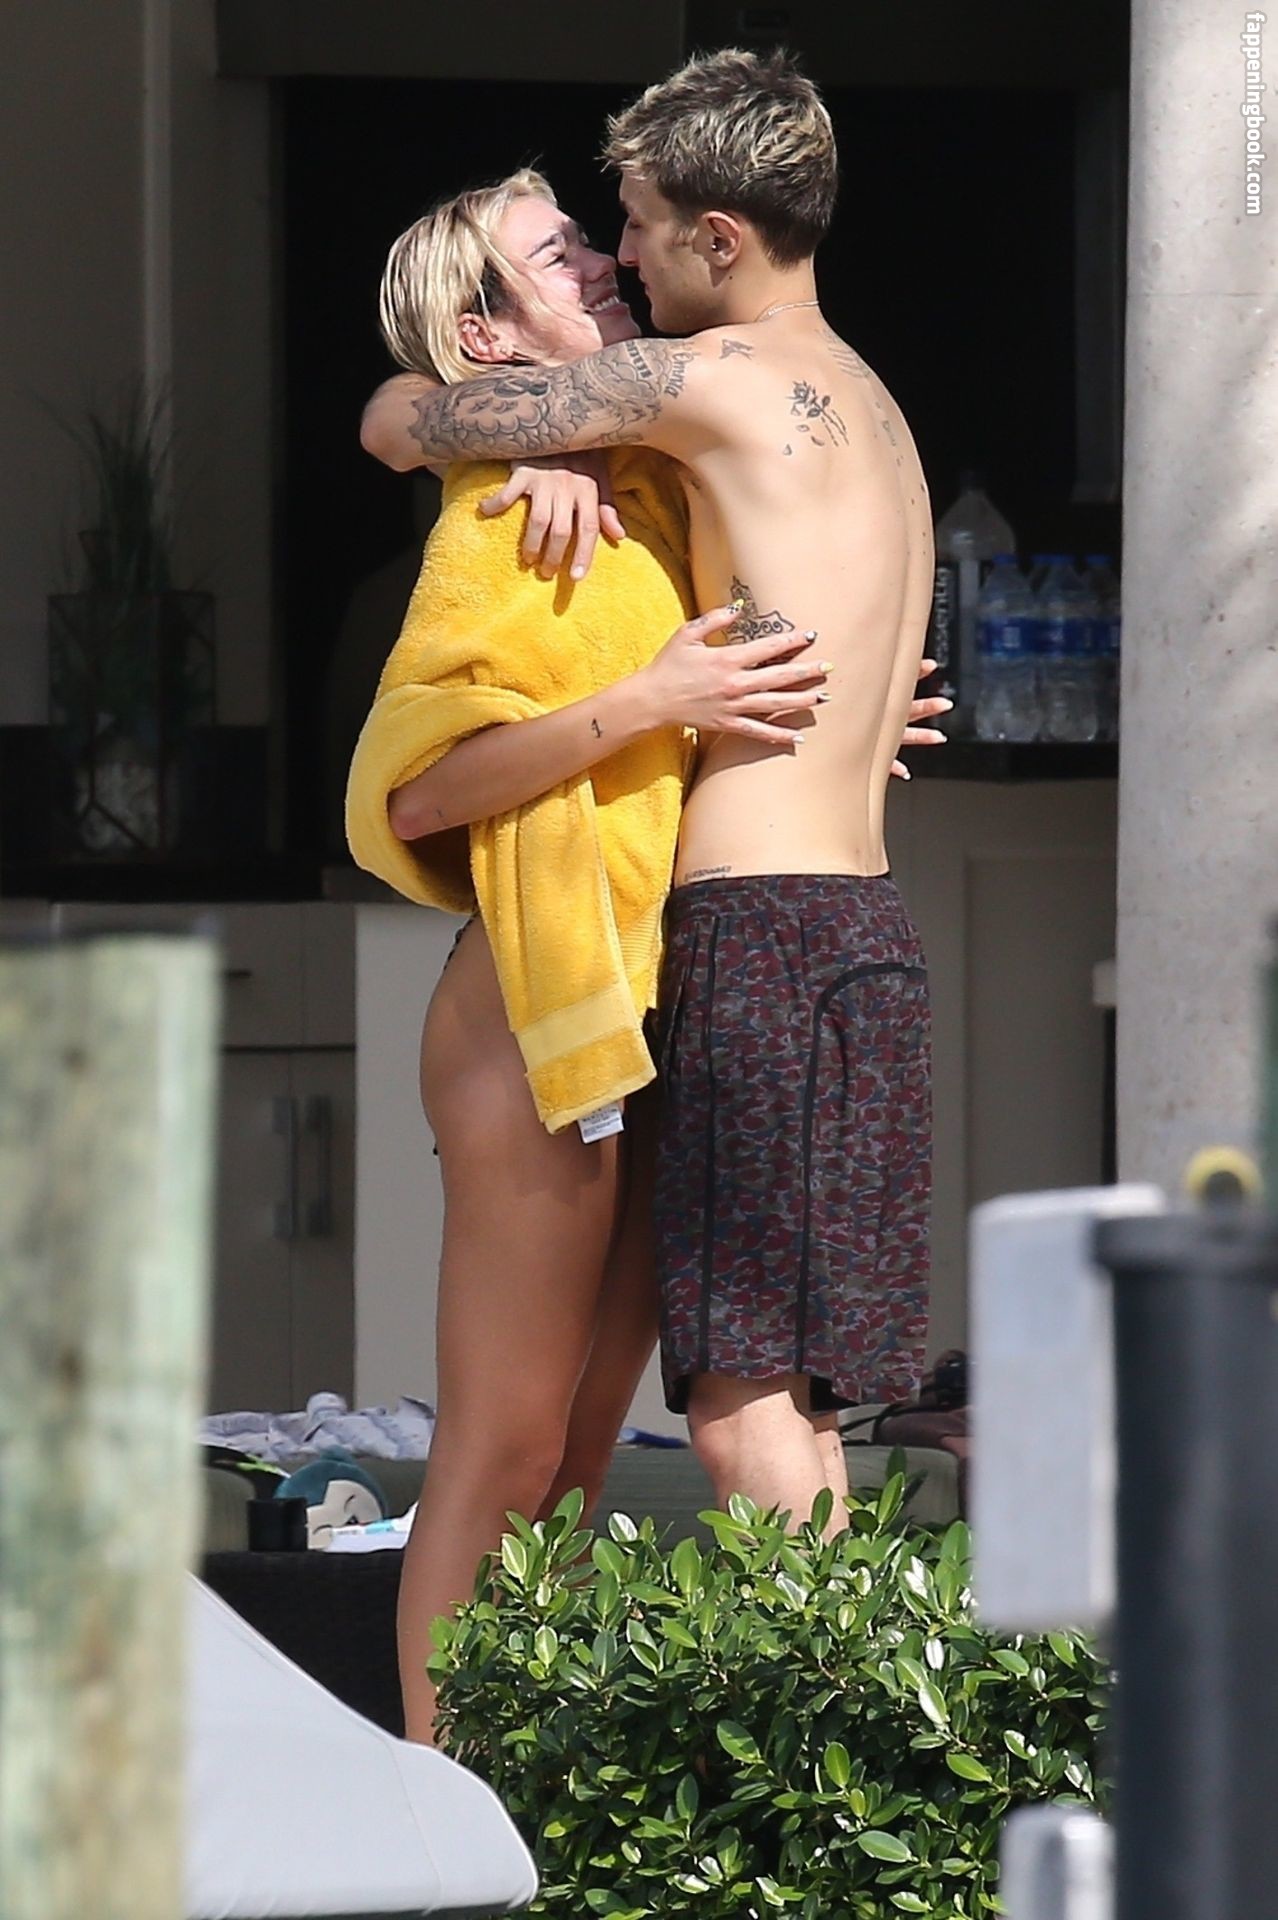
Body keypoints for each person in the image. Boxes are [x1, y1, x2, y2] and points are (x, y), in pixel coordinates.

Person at [348, 168, 945, 1743]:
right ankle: (437, 1800)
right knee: (500, 1448)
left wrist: (842, 706)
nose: (605, 266)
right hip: (530, 1013)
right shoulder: (502, 521)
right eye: (560, 257)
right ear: (488, 333)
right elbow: (415, 792)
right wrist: (649, 703)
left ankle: (530, 1788)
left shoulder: (641, 481)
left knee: (575, 1460)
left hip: (655, 998)